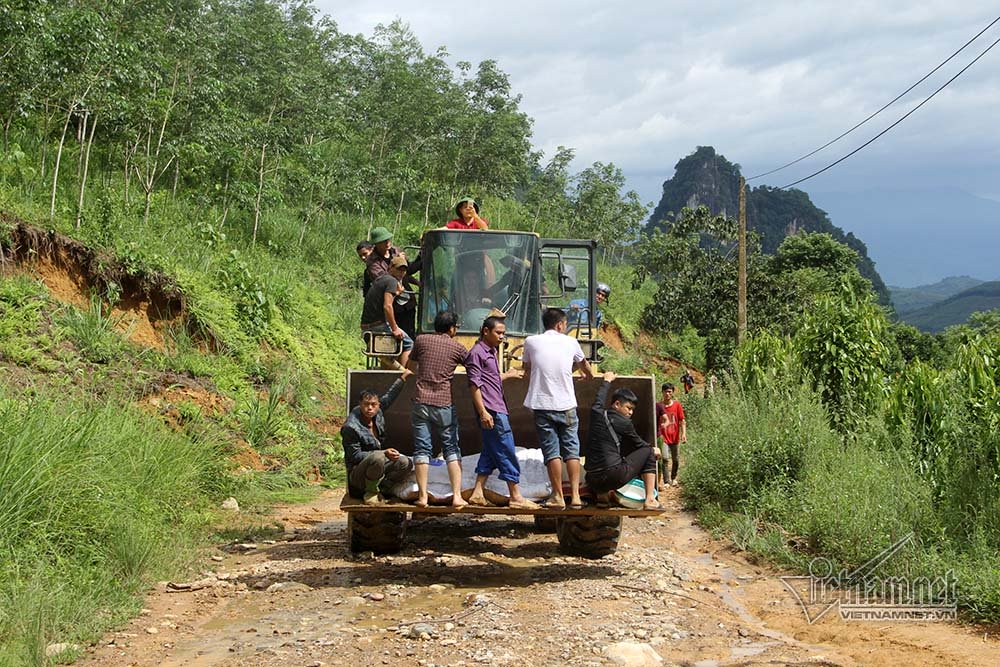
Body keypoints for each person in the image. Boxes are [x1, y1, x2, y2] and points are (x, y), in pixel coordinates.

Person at [466, 315, 541, 510]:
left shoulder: (491, 352)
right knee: (506, 449)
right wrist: (483, 412)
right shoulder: (477, 353)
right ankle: (516, 496)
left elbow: (490, 378)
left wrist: (507, 375)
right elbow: (474, 385)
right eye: (498, 333)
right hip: (492, 409)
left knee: (491, 450)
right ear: (486, 331)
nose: (502, 337)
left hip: (497, 406)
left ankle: (477, 492)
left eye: (503, 333)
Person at [522, 307, 594, 509]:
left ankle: (558, 496)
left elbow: (527, 370)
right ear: (560, 325)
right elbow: (585, 366)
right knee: (572, 450)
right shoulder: (571, 342)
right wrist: (587, 376)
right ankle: (577, 497)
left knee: (552, 451)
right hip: (567, 405)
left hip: (542, 406)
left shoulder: (530, 341)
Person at [408, 310, 470, 509]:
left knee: (422, 449)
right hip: (443, 404)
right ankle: (457, 496)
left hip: (421, 402)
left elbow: (410, 364)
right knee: (451, 449)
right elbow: (473, 365)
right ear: (452, 329)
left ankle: (423, 497)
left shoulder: (421, 340)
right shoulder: (457, 347)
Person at [583, 371, 662, 511]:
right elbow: (640, 444)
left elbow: (598, 400)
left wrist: (607, 381)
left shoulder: (597, 414)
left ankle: (602, 497)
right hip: (613, 476)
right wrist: (654, 449)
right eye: (629, 408)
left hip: (591, 480)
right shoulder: (625, 423)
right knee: (649, 452)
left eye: (632, 410)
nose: (631, 413)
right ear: (617, 404)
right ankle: (650, 499)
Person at [341, 369, 414, 505]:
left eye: (373, 405)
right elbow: (354, 456)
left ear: (378, 406)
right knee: (378, 457)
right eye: (366, 404)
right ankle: (370, 492)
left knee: (406, 463)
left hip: (376, 467)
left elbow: (389, 397)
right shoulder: (350, 427)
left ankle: (384, 488)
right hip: (358, 476)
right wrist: (383, 453)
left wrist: (402, 378)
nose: (370, 408)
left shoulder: (378, 413)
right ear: (360, 404)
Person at [364, 226, 418, 338]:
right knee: (393, 340)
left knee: (409, 333)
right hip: (391, 302)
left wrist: (416, 281)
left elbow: (406, 271)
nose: (387, 243)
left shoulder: (396, 250)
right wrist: (396, 261)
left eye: (388, 239)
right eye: (383, 241)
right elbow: (383, 279)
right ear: (376, 244)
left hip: (407, 301)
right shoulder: (372, 261)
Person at [361, 255, 412, 368]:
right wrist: (394, 329)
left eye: (404, 270)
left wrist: (397, 293)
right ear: (390, 267)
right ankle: (402, 378)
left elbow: (382, 299)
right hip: (377, 325)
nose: (401, 273)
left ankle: (392, 371)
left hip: (366, 326)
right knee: (409, 344)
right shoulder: (392, 281)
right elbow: (387, 306)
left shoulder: (382, 279)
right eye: (398, 269)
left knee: (392, 349)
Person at [655, 382, 686, 489]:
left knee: (676, 459)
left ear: (672, 393)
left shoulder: (677, 405)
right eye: (665, 391)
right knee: (665, 459)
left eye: (669, 392)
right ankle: (666, 481)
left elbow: (682, 420)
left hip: (675, 437)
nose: (667, 394)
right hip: (663, 437)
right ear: (662, 392)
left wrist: (684, 434)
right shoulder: (659, 406)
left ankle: (673, 478)